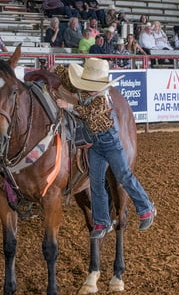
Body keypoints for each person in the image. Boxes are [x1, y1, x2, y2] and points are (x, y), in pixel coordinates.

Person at [53, 58, 156, 237]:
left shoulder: (101, 98)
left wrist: (67, 105)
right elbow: (68, 79)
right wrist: (58, 69)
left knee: (123, 175)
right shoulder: (85, 91)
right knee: (96, 183)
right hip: (96, 143)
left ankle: (146, 207)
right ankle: (101, 221)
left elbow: (87, 113)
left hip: (109, 141)